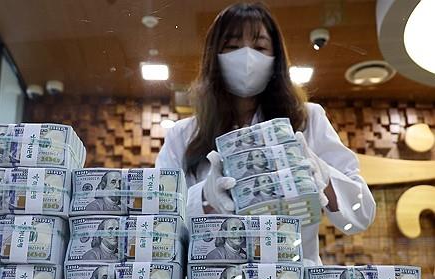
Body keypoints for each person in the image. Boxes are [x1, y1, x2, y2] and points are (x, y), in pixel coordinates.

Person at [155, 2, 376, 265]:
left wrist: (324, 177)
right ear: (214, 57)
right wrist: (204, 200)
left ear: (275, 59)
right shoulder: (183, 134)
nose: (247, 58)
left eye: (259, 47)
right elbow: (158, 223)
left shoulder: (307, 119)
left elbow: (362, 215)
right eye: (233, 46)